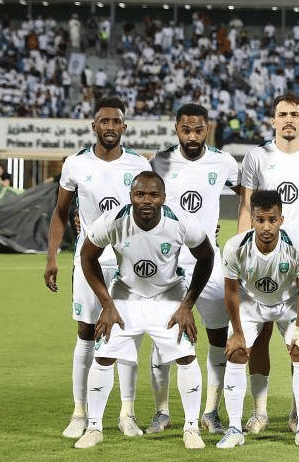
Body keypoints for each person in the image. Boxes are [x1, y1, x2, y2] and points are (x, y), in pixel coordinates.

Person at [75, 171, 215, 449]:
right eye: (140, 194)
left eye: (153, 195)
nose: (147, 200)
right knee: (103, 355)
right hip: (126, 294)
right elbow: (87, 256)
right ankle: (94, 428)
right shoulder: (114, 220)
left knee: (186, 355)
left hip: (168, 294)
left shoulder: (181, 222)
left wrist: (187, 305)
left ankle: (191, 428)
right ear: (131, 197)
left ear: (163, 198)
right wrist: (107, 304)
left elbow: (207, 257)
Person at [44, 96, 151, 439]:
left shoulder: (139, 165)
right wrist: (51, 257)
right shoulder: (76, 164)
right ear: (94, 126)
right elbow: (61, 213)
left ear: (124, 126)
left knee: (127, 334)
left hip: (128, 263)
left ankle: (127, 413)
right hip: (88, 261)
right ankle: (80, 412)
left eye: (116, 121)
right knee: (86, 333)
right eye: (104, 121)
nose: (110, 126)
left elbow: (151, 209)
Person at [237, 93, 299, 433]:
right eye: (282, 114)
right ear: (273, 120)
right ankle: (260, 411)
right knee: (260, 335)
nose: (289, 120)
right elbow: (246, 207)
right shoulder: (256, 157)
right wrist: (243, 251)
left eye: (295, 114)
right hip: (263, 258)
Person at [147, 104, 240, 435]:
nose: (191, 136)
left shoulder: (224, 162)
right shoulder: (159, 162)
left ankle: (211, 411)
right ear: (176, 129)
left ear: (207, 129)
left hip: (210, 261)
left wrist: (240, 232)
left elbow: (248, 195)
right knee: (162, 337)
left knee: (218, 336)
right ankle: (161, 412)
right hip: (168, 263)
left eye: (198, 130)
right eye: (185, 130)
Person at [218, 190, 299, 449]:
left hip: (288, 304)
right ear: (251, 220)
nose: (266, 227)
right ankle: (234, 428)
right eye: (260, 220)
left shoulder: (298, 246)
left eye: (272, 220)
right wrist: (237, 333)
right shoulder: (235, 247)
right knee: (236, 352)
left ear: (281, 219)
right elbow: (231, 292)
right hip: (251, 305)